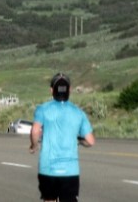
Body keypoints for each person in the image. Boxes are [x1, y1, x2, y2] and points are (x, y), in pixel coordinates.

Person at [30, 73, 96, 202]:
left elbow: (35, 131)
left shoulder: (42, 109)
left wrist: (34, 146)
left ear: (51, 90)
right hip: (70, 170)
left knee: (49, 199)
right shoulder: (79, 112)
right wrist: (79, 141)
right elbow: (90, 141)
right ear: (69, 90)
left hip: (47, 168)